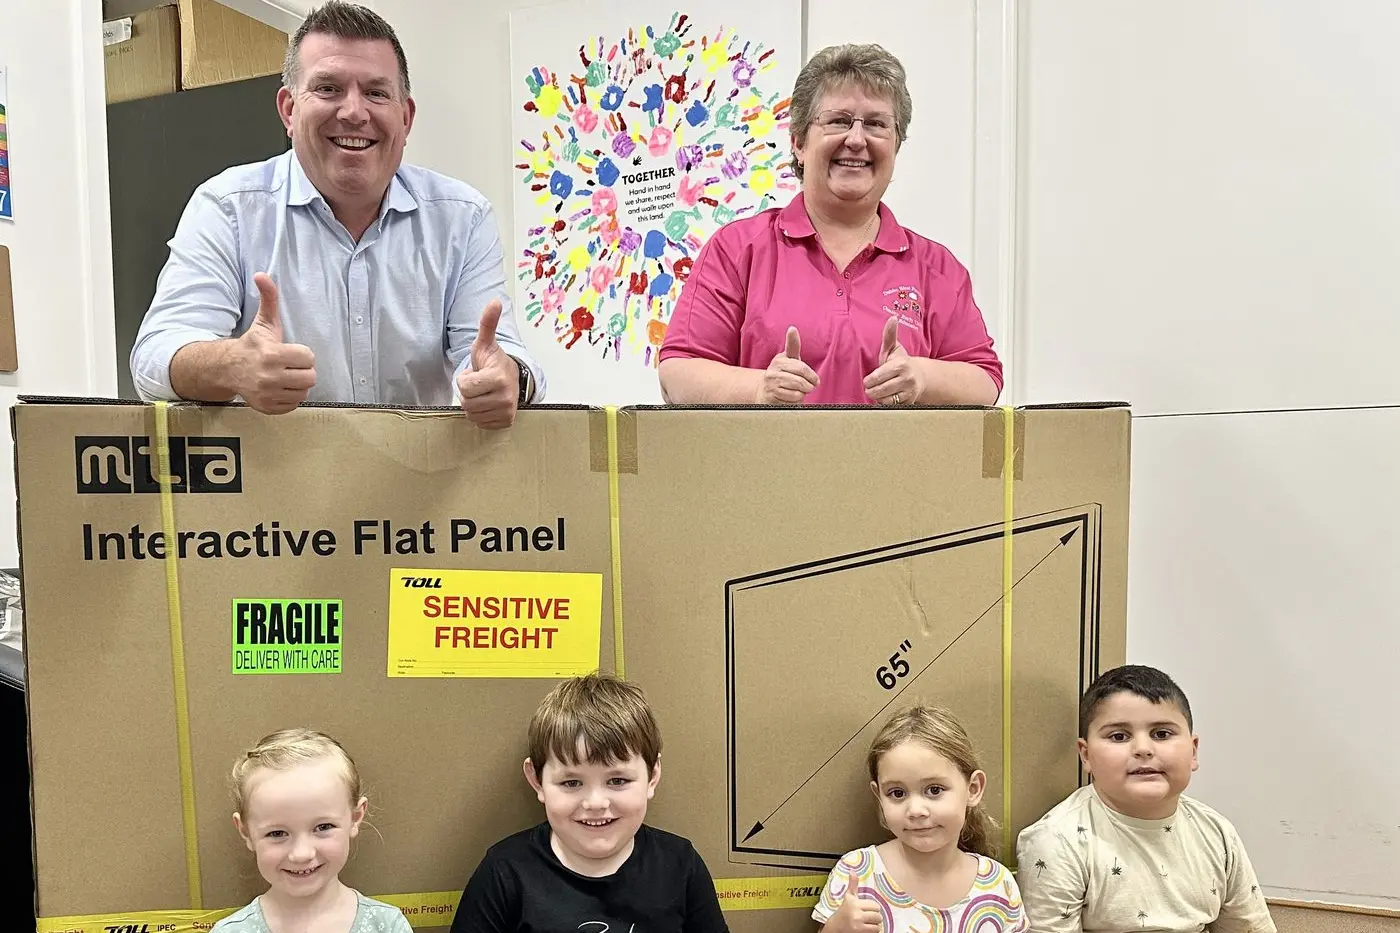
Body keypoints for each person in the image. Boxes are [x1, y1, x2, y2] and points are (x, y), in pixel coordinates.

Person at [129, 1, 543, 427]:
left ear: (406, 117)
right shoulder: (228, 208)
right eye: (328, 89)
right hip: (276, 487)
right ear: (289, 110)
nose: (354, 112)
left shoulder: (462, 218)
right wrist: (232, 364)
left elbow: (502, 356)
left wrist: (507, 377)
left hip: (426, 484)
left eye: (377, 93)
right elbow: (155, 357)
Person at [658, 43, 1001, 407]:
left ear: (896, 146)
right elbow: (678, 374)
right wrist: (759, 390)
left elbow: (986, 381)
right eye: (838, 120)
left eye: (876, 124)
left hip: (896, 466)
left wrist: (922, 376)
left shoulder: (936, 268)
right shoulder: (738, 249)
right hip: (764, 465)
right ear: (799, 143)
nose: (856, 139)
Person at [449, 671, 728, 933]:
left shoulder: (680, 865)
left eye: (617, 781)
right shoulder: (504, 872)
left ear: (652, 776)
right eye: (571, 783)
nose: (595, 803)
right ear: (536, 780)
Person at [1015, 665, 1276, 933]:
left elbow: (1249, 926)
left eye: (1161, 734)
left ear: (1193, 751)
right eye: (1119, 736)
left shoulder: (1217, 832)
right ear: (1086, 755)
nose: (1143, 749)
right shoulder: (1056, 841)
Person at [813, 705, 1026, 932]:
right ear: (879, 796)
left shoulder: (999, 886)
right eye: (897, 793)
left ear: (973, 789)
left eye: (934, 790)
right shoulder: (857, 872)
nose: (915, 810)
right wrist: (836, 929)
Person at [213, 728, 411, 932]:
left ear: (355, 817)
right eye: (277, 833)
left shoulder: (387, 926)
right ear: (246, 832)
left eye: (323, 827)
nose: (301, 854)